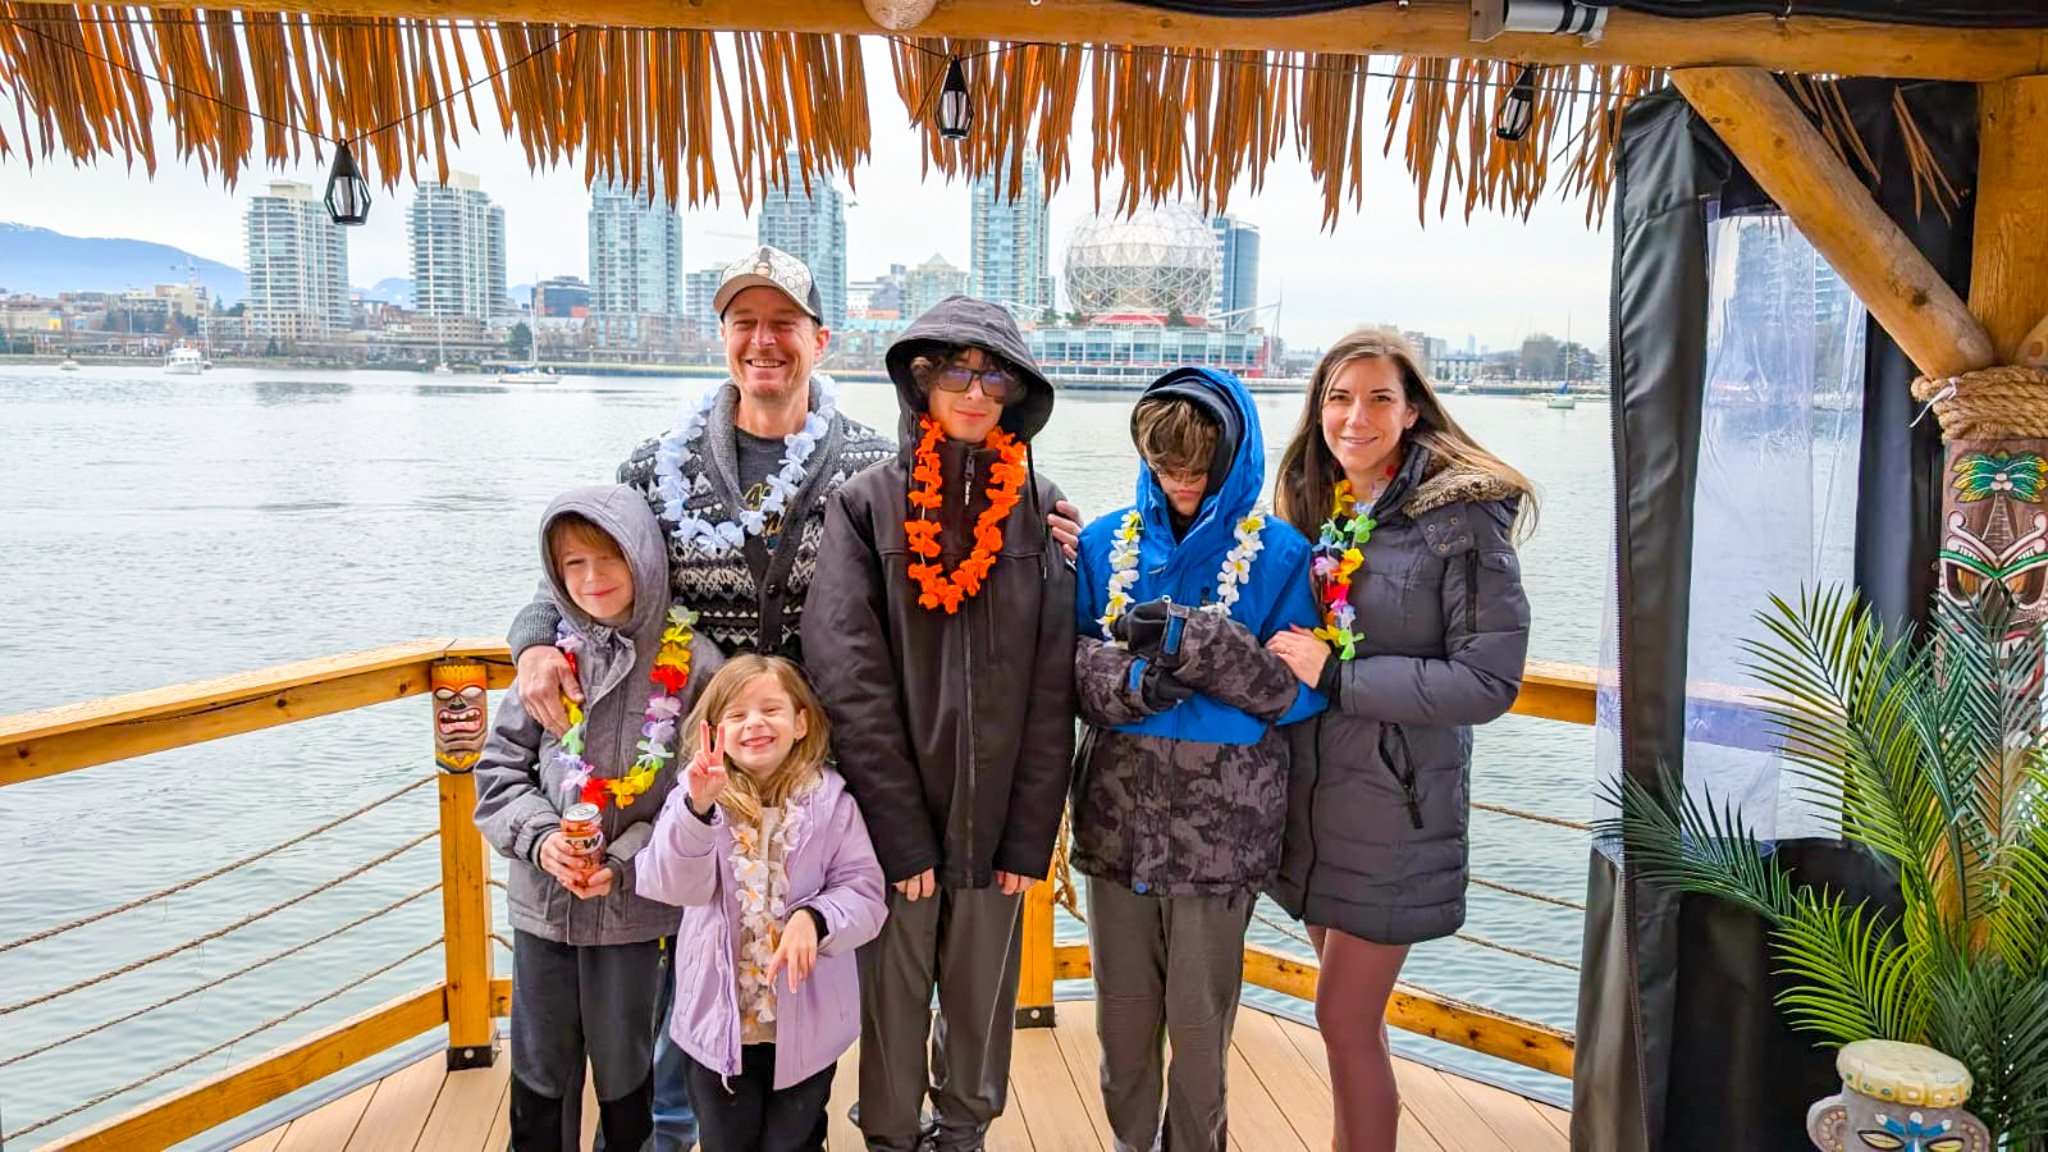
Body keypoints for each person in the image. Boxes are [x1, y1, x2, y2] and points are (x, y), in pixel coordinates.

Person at [506, 247, 1079, 1152]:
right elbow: (585, 560)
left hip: (826, 771)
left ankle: (801, 1126)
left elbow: (970, 527)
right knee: (691, 963)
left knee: (807, 963)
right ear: (723, 337)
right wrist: (537, 636)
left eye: (784, 324)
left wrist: (1054, 526)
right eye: (745, 323)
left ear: (821, 340)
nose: (764, 341)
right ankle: (680, 1130)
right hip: (695, 766)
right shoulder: (656, 467)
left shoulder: (871, 464)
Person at [800, 295, 1078, 1152]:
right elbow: (847, 678)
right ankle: (889, 1137)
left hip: (999, 826)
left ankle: (964, 1135)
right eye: (955, 371)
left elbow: (1054, 686)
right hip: (893, 825)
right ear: (919, 381)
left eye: (995, 377)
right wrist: (897, 830)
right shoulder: (864, 506)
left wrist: (1030, 836)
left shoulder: (1043, 509)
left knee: (980, 1001)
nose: (975, 392)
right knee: (890, 999)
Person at [1265, 329, 1534, 1152]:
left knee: (1342, 1017)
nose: (1357, 417)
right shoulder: (1324, 508)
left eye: (1379, 398)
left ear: (1412, 410)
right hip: (1319, 801)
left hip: (1397, 808)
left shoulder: (1460, 520)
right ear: (1318, 410)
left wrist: (1339, 676)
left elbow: (1488, 681)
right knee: (1355, 1022)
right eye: (1339, 398)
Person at [1069, 367, 1325, 1152]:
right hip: (1115, 825)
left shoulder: (1282, 554)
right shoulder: (1102, 542)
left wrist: (1202, 644)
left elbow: (1296, 694)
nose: (1181, 482)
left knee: (1200, 1027)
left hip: (1222, 837)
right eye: (1165, 465)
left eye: (1199, 467)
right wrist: (1132, 682)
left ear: (1235, 456)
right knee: (1120, 1023)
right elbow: (1066, 665)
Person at [475, 485, 725, 1152]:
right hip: (543, 905)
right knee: (540, 1070)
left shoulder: (696, 664)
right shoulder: (548, 664)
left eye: (609, 558)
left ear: (644, 557)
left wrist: (624, 859)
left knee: (626, 1072)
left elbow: (696, 799)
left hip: (635, 912)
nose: (592, 578)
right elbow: (497, 773)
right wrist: (540, 839)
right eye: (573, 564)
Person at [635, 655, 887, 1152]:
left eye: (771, 710)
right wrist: (696, 809)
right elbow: (668, 884)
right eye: (737, 715)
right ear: (714, 732)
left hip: (808, 1026)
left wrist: (815, 919)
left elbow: (865, 893)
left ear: (801, 723)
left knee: (796, 1139)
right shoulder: (694, 797)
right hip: (717, 1026)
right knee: (726, 1140)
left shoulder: (832, 802)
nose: (754, 723)